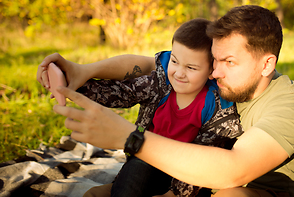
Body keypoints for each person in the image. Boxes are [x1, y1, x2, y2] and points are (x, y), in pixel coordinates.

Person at [37, 5, 294, 197]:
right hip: (179, 171)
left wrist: (129, 137)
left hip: (243, 187)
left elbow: (234, 170)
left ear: (267, 65)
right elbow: (147, 66)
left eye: (229, 62)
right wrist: (82, 71)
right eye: (214, 60)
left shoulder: (292, 104)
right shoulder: (212, 77)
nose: (215, 72)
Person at [38, 18, 243, 197]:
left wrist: (174, 194)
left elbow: (204, 159)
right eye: (174, 61)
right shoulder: (160, 84)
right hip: (147, 160)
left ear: (210, 71)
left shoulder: (215, 107)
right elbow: (122, 92)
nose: (179, 73)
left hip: (187, 177)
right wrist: (76, 86)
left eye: (191, 68)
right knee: (135, 170)